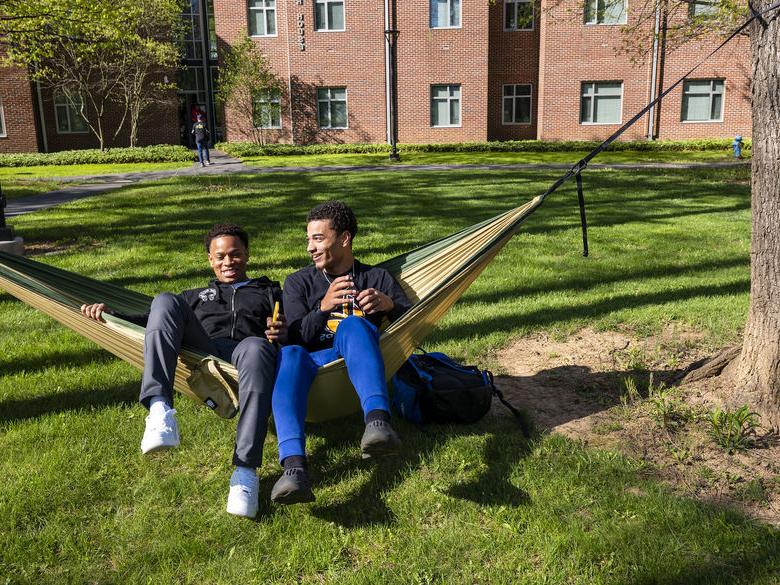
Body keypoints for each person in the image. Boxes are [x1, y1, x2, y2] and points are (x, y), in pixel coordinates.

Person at [80, 223, 285, 519]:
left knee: (256, 347)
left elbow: (293, 327)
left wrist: (283, 332)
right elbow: (155, 320)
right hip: (203, 349)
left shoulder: (268, 290)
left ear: (247, 255)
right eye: (220, 256)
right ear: (210, 260)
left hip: (248, 351)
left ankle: (245, 472)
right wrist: (113, 316)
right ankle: (159, 410)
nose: (228, 262)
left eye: (235, 254)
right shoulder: (195, 295)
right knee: (164, 299)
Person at [269, 201, 412, 505]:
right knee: (290, 355)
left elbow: (412, 322)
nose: (310, 247)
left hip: (358, 359)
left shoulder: (377, 278)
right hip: (312, 363)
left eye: (318, 238)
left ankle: (377, 424)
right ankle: (294, 468)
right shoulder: (298, 282)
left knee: (353, 326)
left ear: (344, 238)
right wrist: (322, 308)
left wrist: (390, 305)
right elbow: (294, 337)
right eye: (308, 239)